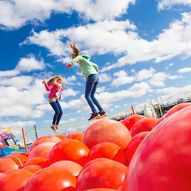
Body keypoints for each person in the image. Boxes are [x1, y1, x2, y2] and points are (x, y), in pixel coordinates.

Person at [66, 41, 106, 121]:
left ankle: (95, 112)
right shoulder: (87, 61)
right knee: (92, 96)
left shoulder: (80, 58)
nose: (76, 61)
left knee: (87, 95)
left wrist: (70, 63)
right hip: (96, 76)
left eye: (74, 59)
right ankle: (102, 111)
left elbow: (78, 58)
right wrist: (95, 72)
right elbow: (96, 66)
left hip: (91, 76)